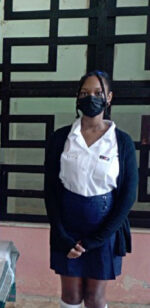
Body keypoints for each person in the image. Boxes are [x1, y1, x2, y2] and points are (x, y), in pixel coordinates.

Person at [44, 70, 138, 308]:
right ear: (77, 98)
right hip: (67, 228)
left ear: (109, 98)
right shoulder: (61, 138)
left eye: (98, 93)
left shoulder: (121, 142)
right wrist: (62, 235)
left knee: (95, 298)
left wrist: (96, 240)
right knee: (71, 294)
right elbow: (51, 190)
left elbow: (128, 196)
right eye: (84, 93)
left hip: (103, 230)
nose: (91, 98)